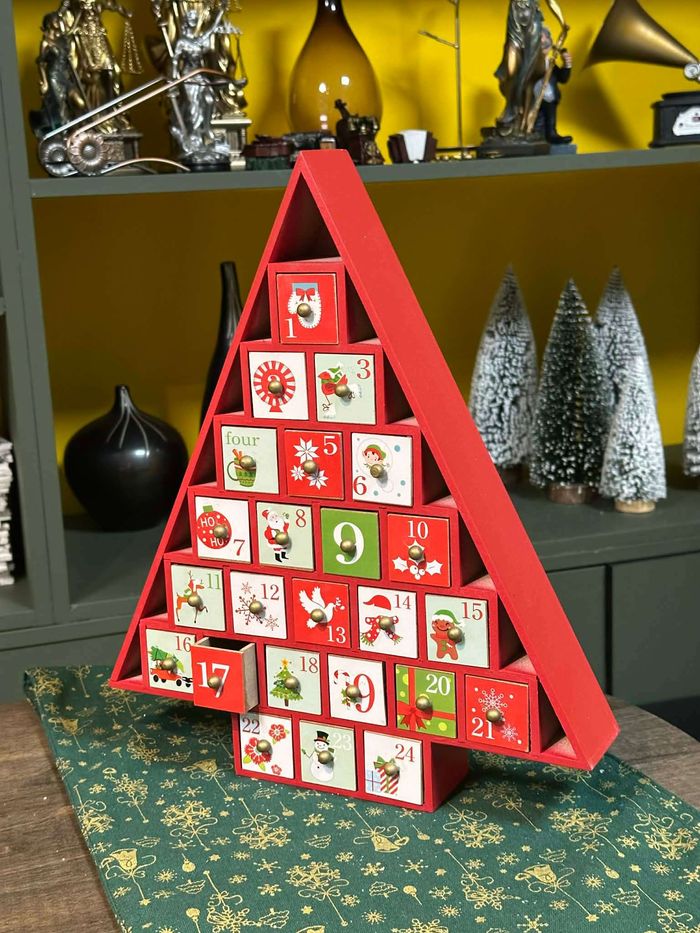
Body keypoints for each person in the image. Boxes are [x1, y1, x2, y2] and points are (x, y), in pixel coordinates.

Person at [495, 0, 567, 137]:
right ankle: (512, 109)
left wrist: (562, 21)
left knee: (527, 73)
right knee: (510, 71)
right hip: (514, 22)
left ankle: (520, 122)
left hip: (533, 24)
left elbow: (551, 2)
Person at [533, 27, 573, 145]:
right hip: (534, 97)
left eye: (546, 40)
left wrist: (567, 65)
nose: (543, 43)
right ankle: (534, 135)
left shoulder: (551, 63)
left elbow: (562, 79)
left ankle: (551, 134)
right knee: (536, 121)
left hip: (549, 98)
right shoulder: (530, 63)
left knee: (550, 120)